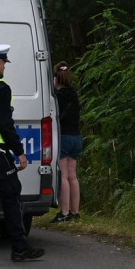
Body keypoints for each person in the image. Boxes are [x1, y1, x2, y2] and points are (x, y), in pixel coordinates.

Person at [0, 44, 44, 261]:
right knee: (11, 197)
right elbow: (4, 123)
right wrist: (19, 152)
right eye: (4, 66)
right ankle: (20, 248)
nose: (4, 70)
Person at [52, 61, 81, 223]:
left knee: (63, 176)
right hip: (77, 138)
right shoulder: (74, 94)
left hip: (64, 138)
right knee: (73, 176)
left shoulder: (58, 97)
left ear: (56, 79)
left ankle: (64, 213)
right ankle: (75, 212)